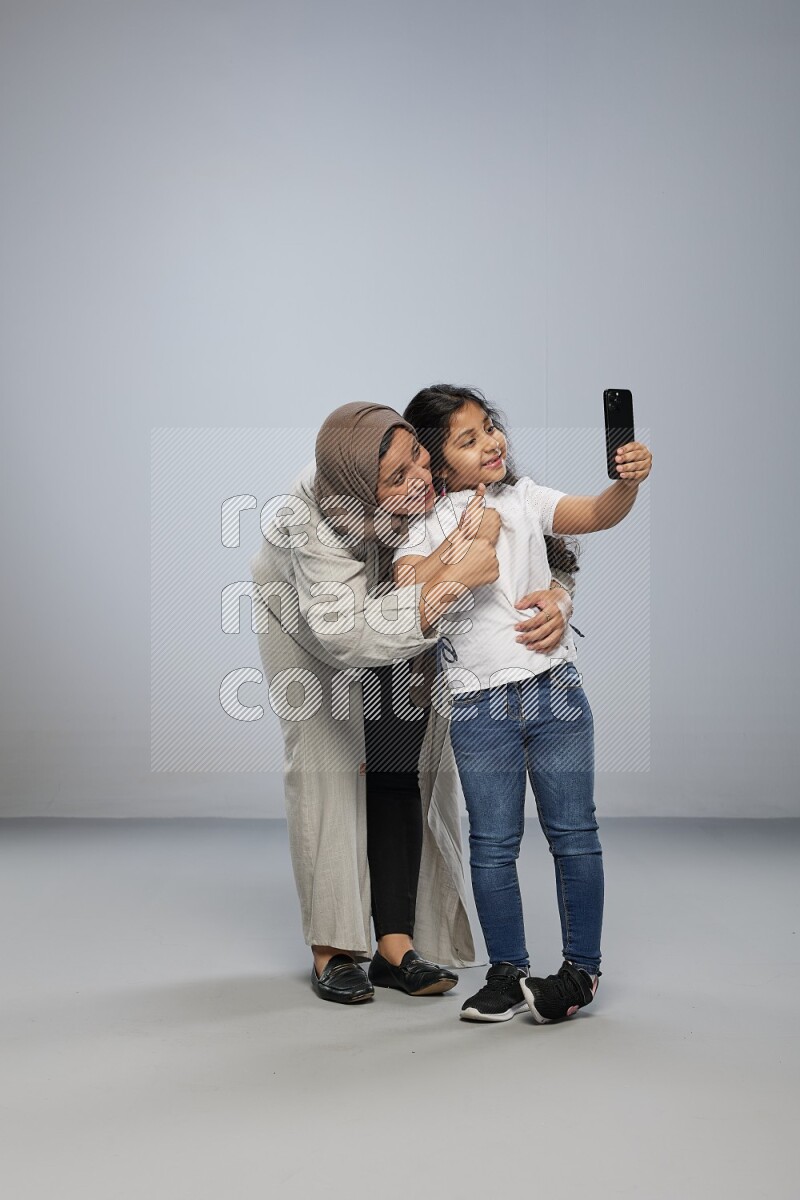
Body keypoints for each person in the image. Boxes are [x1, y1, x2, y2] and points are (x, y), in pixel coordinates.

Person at [250, 401, 576, 1004]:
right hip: (314, 620)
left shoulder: (402, 453)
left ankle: (394, 946)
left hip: (408, 601)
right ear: (362, 489)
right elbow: (344, 633)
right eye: (396, 479)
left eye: (419, 458)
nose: (421, 477)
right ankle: (334, 947)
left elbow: (545, 541)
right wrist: (454, 580)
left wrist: (558, 598)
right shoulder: (311, 519)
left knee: (402, 759)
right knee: (331, 760)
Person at [394, 384, 652, 1023]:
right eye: (468, 438)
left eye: (489, 427)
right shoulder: (421, 525)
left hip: (554, 692)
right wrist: (462, 539)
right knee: (493, 844)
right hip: (478, 706)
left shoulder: (524, 497)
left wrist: (628, 484)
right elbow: (410, 587)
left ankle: (580, 974)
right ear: (437, 459)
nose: (490, 443)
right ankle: (507, 972)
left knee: (574, 833)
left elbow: (596, 512)